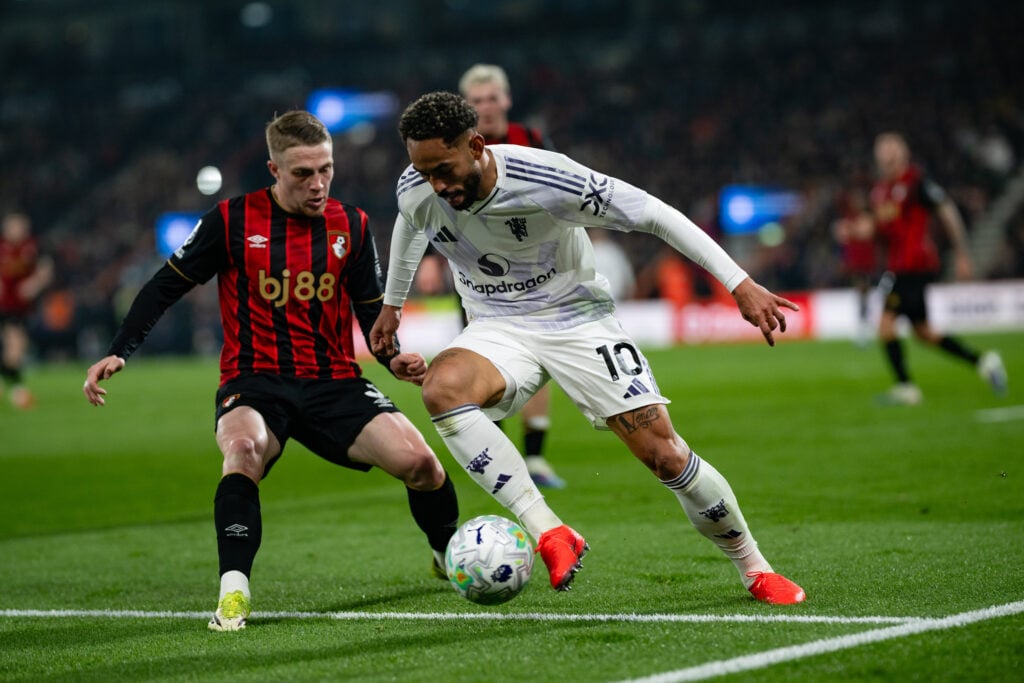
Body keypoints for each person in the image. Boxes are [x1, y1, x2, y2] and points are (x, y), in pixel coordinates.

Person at [371, 91, 806, 604]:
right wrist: (392, 305)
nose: (436, 185)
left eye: (443, 169)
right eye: (424, 173)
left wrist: (738, 282)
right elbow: (410, 222)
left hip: (579, 321)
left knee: (664, 455)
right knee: (443, 390)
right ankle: (549, 530)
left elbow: (655, 214)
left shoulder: (547, 179)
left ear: (477, 145)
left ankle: (754, 567)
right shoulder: (417, 187)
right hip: (498, 324)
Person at [83, 111, 460, 631]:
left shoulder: (352, 224)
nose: (318, 183)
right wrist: (121, 348)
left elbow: (370, 309)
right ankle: (233, 592)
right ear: (273, 170)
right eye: (303, 173)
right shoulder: (232, 220)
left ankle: (447, 553)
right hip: (254, 380)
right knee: (243, 453)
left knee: (422, 465)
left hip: (334, 380)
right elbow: (167, 283)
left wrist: (394, 357)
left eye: (325, 169)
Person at [459, 63, 564, 489]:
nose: (485, 107)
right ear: (467, 106)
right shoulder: (458, 147)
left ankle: (535, 460)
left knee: (540, 357)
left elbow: (561, 188)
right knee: (485, 363)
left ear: (506, 99)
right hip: (474, 272)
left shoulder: (531, 140)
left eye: (491, 98)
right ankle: (503, 460)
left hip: (534, 270)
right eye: (477, 100)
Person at [856, 132, 1007, 405]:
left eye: (892, 147)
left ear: (904, 152)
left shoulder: (916, 183)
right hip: (898, 266)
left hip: (914, 266)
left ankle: (906, 388)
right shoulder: (880, 192)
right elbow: (882, 230)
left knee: (885, 324)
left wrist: (962, 253)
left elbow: (946, 209)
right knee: (924, 332)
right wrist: (861, 230)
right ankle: (984, 362)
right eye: (882, 148)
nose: (887, 153)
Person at [0, 212, 54, 409]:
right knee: (15, 347)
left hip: (23, 308)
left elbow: (46, 270)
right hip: (5, 307)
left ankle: (9, 387)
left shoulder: (31, 246)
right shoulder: (3, 248)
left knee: (14, 350)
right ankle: (19, 392)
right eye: (14, 226)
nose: (19, 229)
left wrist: (35, 284)